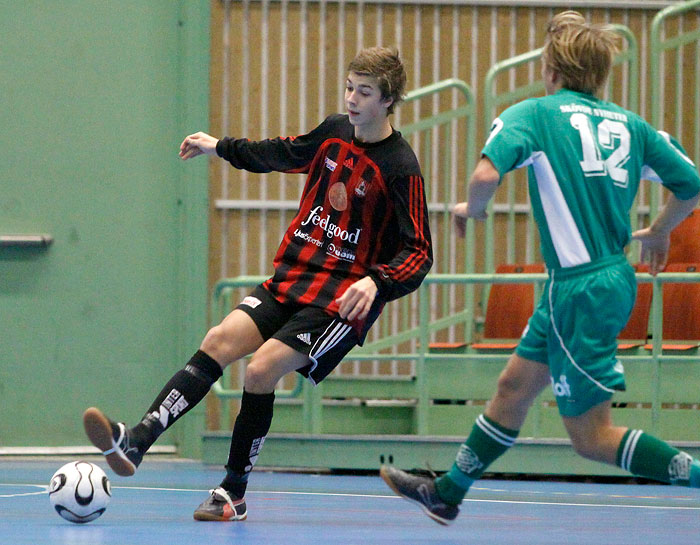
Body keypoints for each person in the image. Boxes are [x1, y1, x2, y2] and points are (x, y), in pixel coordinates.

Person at [83, 46, 432, 522]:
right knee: (219, 340)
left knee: (261, 369)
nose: (352, 99)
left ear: (388, 100)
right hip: (293, 277)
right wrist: (219, 146)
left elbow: (419, 253)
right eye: (349, 86)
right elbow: (280, 152)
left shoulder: (400, 166)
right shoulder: (333, 132)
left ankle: (233, 493)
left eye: (364, 92)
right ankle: (136, 440)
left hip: (340, 302)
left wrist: (377, 282)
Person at [380, 11, 700, 525]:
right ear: (601, 74)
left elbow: (485, 173)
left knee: (592, 438)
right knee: (513, 387)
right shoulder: (632, 125)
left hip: (582, 288)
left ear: (550, 72)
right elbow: (690, 184)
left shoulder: (535, 114)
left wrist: (473, 210)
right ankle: (448, 492)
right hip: (586, 284)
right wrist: (661, 229)